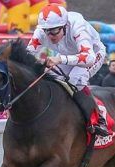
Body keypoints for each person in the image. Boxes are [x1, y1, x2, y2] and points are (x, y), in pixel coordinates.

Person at [27, 4, 108, 136]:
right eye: (47, 31)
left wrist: (60, 59)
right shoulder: (41, 32)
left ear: (65, 26)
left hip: (93, 54)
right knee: (49, 78)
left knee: (75, 79)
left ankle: (98, 119)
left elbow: (89, 58)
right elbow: (27, 55)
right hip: (68, 56)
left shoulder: (78, 27)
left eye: (54, 31)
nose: (50, 36)